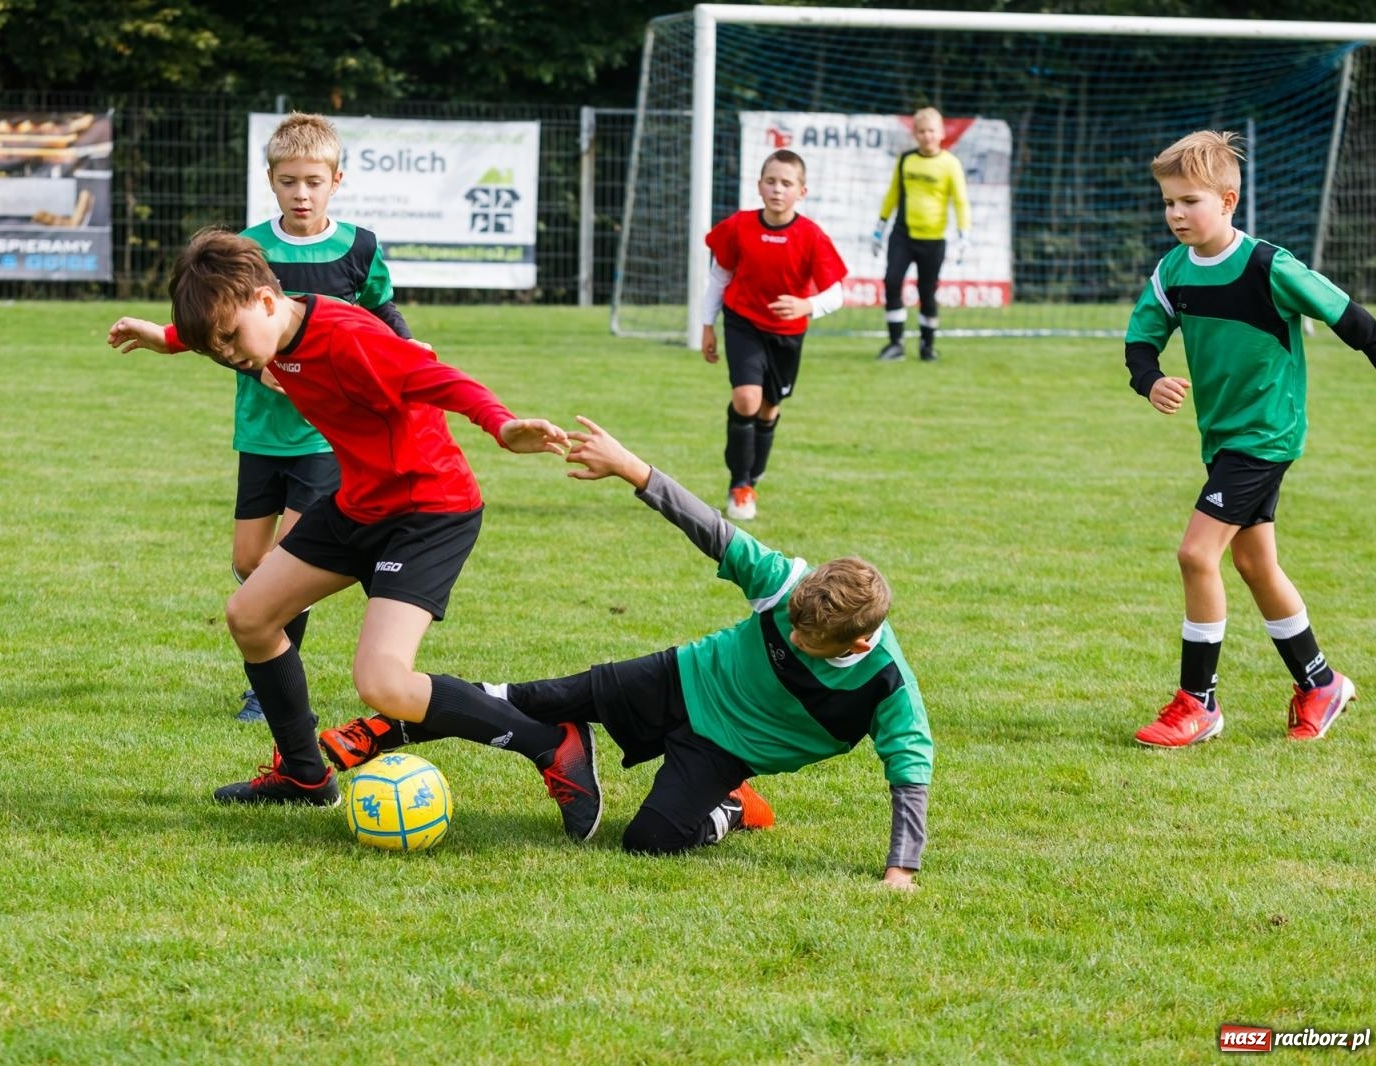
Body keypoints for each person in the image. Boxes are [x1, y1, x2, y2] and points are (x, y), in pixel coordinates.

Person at [106, 229, 605, 838]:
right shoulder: (264, 325)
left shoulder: (350, 339)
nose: (229, 355)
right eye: (216, 348)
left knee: (383, 683)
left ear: (266, 299)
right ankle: (304, 775)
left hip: (428, 510)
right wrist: (167, 337)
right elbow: (215, 326)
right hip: (359, 504)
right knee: (250, 617)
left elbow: (441, 378)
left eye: (231, 339)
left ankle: (552, 742)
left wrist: (501, 426)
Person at [320, 417, 932, 886]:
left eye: (809, 643)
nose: (793, 640)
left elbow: (910, 771)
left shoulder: (887, 685)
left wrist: (900, 871)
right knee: (529, 698)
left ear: (857, 643)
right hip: (681, 678)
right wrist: (629, 467)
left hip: (725, 750)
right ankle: (390, 725)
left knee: (650, 842)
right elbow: (710, 528)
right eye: (792, 626)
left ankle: (729, 807)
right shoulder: (787, 583)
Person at [127, 112, 416, 724]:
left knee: (287, 560)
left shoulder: (360, 248)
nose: (301, 194)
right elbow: (220, 325)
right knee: (248, 561)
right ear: (270, 181)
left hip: (321, 433)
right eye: (289, 182)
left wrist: (409, 354)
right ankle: (349, 581)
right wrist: (169, 338)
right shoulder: (249, 248)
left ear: (336, 181)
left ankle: (272, 690)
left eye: (314, 181)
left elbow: (381, 313)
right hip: (260, 431)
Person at [1124, 130, 1376, 747]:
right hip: (1222, 438)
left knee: (1197, 554)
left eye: (1189, 201)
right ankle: (1320, 683)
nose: (1176, 214)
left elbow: (1348, 316)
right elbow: (1140, 341)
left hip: (1266, 434)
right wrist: (1151, 380)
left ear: (1228, 200)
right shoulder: (1172, 271)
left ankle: (1198, 702)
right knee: (1254, 562)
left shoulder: (1269, 265)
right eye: (1168, 202)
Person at [699, 149, 848, 523]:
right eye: (771, 181)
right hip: (743, 322)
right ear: (759, 186)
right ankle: (740, 483)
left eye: (786, 183)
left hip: (787, 334)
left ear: (801, 191)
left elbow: (836, 293)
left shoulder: (811, 236)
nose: (777, 189)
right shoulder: (739, 227)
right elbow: (719, 277)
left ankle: (753, 471)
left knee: (768, 408)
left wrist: (806, 305)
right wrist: (706, 325)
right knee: (746, 398)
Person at [872, 107, 971, 363]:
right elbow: (893, 193)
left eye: (932, 131)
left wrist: (964, 234)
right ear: (915, 134)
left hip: (933, 239)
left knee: (927, 292)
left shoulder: (950, 164)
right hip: (902, 235)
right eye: (922, 131)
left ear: (941, 133)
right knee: (892, 282)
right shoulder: (906, 160)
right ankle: (896, 345)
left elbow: (960, 201)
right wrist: (880, 226)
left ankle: (927, 347)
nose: (927, 136)